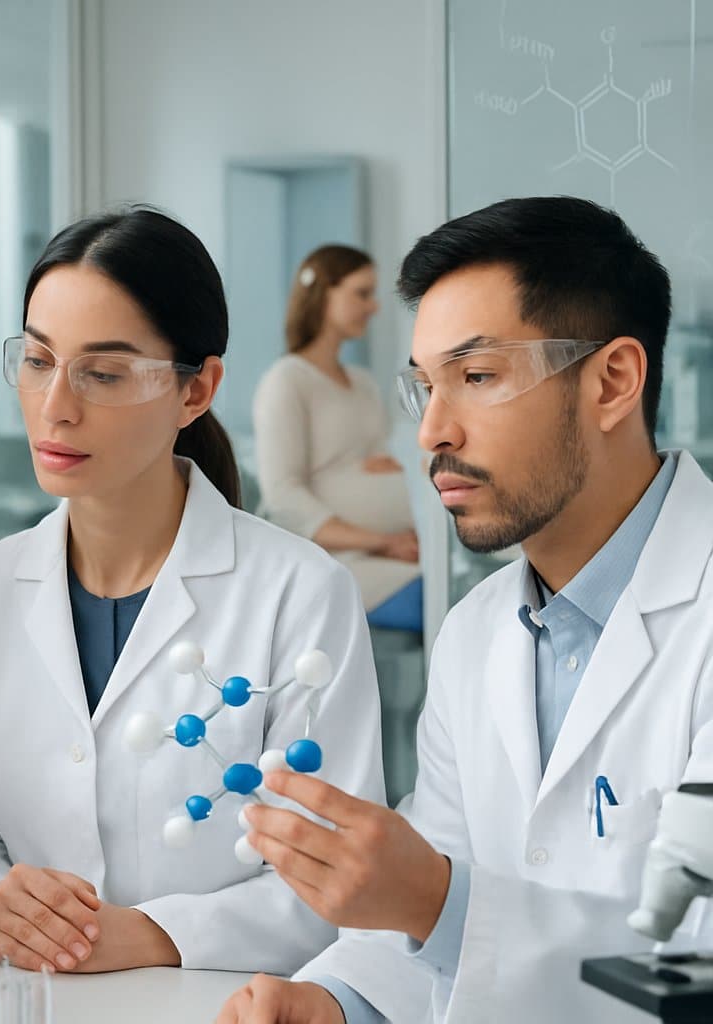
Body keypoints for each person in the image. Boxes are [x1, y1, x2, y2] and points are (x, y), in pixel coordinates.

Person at [217, 196, 713, 1024]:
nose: (432, 433)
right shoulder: (477, 633)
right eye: (424, 388)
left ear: (613, 382)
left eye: (476, 377)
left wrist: (436, 900)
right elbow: (425, 930)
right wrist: (333, 1003)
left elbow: (695, 967)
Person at [0, 207, 385, 977]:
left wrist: (151, 937)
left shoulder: (299, 592)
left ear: (196, 390)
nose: (56, 405)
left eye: (102, 373)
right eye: (37, 360)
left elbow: (331, 875)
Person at [253, 245, 421, 631]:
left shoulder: (363, 383)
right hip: (336, 561)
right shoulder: (287, 380)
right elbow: (283, 497)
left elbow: (380, 461)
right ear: (323, 294)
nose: (374, 306)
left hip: (394, 551)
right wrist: (382, 541)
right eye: (362, 293)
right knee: (445, 598)